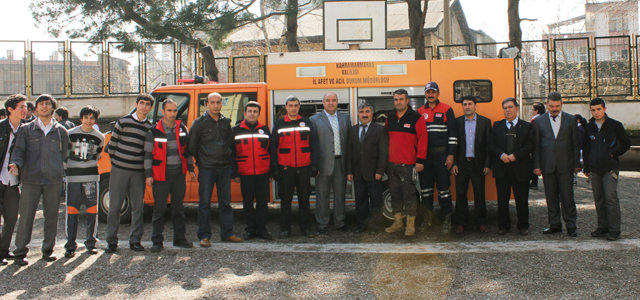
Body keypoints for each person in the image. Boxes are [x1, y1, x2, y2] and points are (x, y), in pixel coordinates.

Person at [9, 94, 70, 266]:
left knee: (51, 217)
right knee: (26, 216)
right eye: (41, 104)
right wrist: (16, 164)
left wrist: (58, 169)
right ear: (35, 109)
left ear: (53, 107)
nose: (44, 107)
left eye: (47, 104)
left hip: (53, 180)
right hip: (30, 179)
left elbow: (64, 153)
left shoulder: (61, 131)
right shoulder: (26, 129)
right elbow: (19, 150)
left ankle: (48, 251)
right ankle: (20, 251)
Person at [189, 92, 242, 247]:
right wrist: (201, 161)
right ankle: (204, 236)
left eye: (218, 102)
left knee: (225, 203)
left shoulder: (226, 122)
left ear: (221, 104)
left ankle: (228, 233)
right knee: (204, 204)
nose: (216, 105)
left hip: (224, 168)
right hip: (207, 169)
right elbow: (192, 146)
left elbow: (230, 144)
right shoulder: (199, 123)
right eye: (212, 102)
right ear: (207, 104)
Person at [105, 94, 154, 253]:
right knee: (115, 206)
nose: (144, 107)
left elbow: (147, 151)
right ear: (136, 104)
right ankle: (111, 241)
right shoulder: (123, 122)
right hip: (120, 170)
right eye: (141, 103)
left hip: (138, 172)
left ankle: (135, 240)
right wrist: (119, 164)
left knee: (137, 207)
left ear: (151, 108)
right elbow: (111, 147)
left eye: (147, 104)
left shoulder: (149, 127)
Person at [144, 99, 196, 252]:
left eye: (175, 111)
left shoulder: (182, 128)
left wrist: (191, 168)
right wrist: (148, 175)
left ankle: (179, 239)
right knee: (159, 210)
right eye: (169, 110)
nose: (173, 114)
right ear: (162, 112)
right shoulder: (153, 131)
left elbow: (186, 151)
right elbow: (147, 155)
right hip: (161, 176)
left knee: (178, 209)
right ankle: (157, 241)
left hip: (178, 174)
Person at [533, 92, 580, 237]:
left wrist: (577, 163)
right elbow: (536, 146)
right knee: (551, 197)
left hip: (565, 165)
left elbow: (575, 144)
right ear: (547, 104)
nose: (554, 108)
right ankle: (554, 224)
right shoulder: (539, 121)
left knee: (568, 197)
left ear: (562, 104)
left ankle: (571, 225)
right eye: (552, 106)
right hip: (547, 166)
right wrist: (536, 165)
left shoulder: (571, 120)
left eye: (557, 106)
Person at [583, 98, 631, 241]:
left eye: (599, 109)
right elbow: (586, 148)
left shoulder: (615, 125)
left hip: (610, 168)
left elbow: (626, 143)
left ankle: (614, 229)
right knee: (598, 199)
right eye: (593, 110)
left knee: (610, 198)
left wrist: (613, 153)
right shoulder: (589, 127)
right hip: (594, 168)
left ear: (604, 109)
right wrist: (586, 166)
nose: (596, 112)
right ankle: (602, 227)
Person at [270, 95, 317, 239]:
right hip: (286, 168)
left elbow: (314, 144)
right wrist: (275, 168)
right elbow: (273, 147)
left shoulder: (306, 122)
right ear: (285, 107)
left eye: (296, 105)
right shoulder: (279, 124)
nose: (293, 108)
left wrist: (314, 165)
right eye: (290, 105)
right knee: (285, 201)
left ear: (299, 107)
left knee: (304, 199)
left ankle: (306, 228)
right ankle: (285, 229)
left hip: (303, 167)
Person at [385, 89, 428, 237]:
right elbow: (385, 140)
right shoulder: (389, 117)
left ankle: (410, 225)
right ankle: (398, 223)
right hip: (391, 165)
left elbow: (423, 140)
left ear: (407, 100)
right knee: (395, 194)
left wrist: (420, 160)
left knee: (409, 195)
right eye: (396, 99)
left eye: (401, 99)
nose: (398, 102)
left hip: (409, 165)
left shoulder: (417, 118)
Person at [64, 105, 104, 258]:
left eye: (92, 118)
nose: (89, 121)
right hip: (73, 176)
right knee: (72, 211)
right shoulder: (70, 134)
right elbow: (65, 154)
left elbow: (98, 155)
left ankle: (91, 243)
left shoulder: (100, 136)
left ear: (95, 120)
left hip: (90, 176)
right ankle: (70, 245)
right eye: (86, 117)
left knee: (92, 211)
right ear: (81, 119)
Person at [490, 98, 534, 235]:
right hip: (502, 169)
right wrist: (501, 154)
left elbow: (531, 145)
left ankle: (523, 225)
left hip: (520, 169)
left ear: (516, 108)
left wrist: (515, 156)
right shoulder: (496, 126)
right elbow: (491, 144)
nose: (507, 110)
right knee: (502, 200)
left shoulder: (527, 126)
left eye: (510, 107)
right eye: (505, 108)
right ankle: (503, 225)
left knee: (522, 200)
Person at [417, 81, 457, 233]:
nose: (430, 94)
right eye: (428, 92)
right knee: (426, 191)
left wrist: (451, 155)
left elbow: (453, 134)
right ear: (425, 94)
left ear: (438, 94)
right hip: (425, 156)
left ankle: (446, 220)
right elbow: (418, 136)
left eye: (433, 92)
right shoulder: (420, 111)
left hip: (442, 155)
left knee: (443, 190)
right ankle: (427, 220)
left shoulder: (447, 109)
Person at [310, 92, 351, 234]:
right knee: (322, 195)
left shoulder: (345, 119)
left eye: (334, 100)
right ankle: (322, 224)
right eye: (328, 100)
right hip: (323, 165)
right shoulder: (314, 120)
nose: (331, 103)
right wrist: (314, 165)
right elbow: (312, 145)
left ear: (337, 102)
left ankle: (340, 222)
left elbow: (348, 143)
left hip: (341, 163)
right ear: (323, 103)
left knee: (340, 195)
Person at [231, 101, 273, 240]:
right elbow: (232, 154)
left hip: (262, 172)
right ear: (245, 113)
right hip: (245, 172)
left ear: (258, 114)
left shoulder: (265, 129)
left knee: (262, 203)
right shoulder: (236, 130)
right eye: (249, 111)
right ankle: (250, 229)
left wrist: (271, 171)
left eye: (255, 111)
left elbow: (271, 151)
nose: (252, 114)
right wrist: (235, 173)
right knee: (247, 203)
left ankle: (261, 229)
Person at [451, 96, 491, 234]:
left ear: (475, 106)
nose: (467, 106)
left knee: (479, 194)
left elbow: (488, 145)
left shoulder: (485, 122)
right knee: (461, 194)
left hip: (478, 164)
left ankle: (481, 222)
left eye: (469, 104)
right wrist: (454, 163)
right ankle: (460, 223)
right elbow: (453, 145)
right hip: (461, 165)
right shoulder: (457, 122)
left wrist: (487, 164)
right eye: (464, 104)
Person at [346, 102, 388, 232]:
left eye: (367, 112)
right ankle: (362, 224)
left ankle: (375, 226)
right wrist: (349, 171)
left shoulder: (380, 130)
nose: (364, 115)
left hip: (374, 173)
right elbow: (349, 152)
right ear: (358, 114)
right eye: (362, 112)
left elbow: (383, 153)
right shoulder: (352, 130)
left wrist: (380, 171)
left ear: (372, 114)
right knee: (360, 200)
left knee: (376, 200)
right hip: (358, 172)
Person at [0, 94, 27, 265]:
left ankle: (3, 250)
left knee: (11, 218)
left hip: (13, 182)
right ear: (10, 109)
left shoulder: (27, 130)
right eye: (21, 107)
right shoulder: (1, 127)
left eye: (26, 107)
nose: (25, 110)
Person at [529, 102, 545, 189]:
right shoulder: (543, 119)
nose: (531, 111)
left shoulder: (535, 120)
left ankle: (534, 182)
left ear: (537, 111)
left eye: (532, 109)